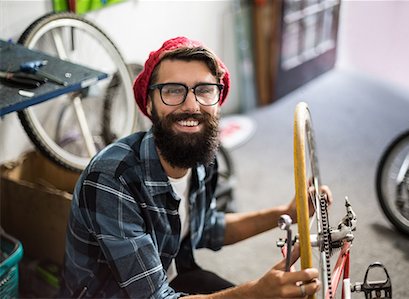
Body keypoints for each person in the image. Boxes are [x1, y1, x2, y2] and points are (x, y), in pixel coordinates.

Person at [58, 36, 332, 298]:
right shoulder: (111, 180)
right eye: (173, 91)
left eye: (204, 90)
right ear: (150, 105)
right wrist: (255, 293)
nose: (192, 105)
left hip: (171, 278)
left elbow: (208, 227)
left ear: (218, 100)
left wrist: (286, 213)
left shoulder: (200, 156)